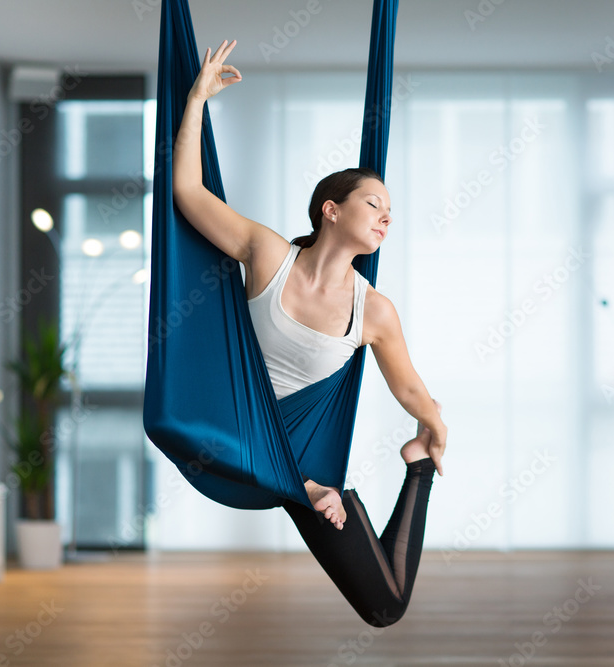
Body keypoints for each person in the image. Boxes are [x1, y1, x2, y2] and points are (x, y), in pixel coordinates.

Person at [171, 39, 448, 627]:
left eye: (389, 213)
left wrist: (434, 423)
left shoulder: (374, 312)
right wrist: (197, 99)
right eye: (373, 202)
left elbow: (409, 388)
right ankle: (308, 487)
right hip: (231, 433)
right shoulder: (268, 255)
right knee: (170, 422)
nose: (385, 216)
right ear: (330, 208)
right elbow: (189, 195)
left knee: (386, 606)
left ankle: (413, 467)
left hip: (301, 458)